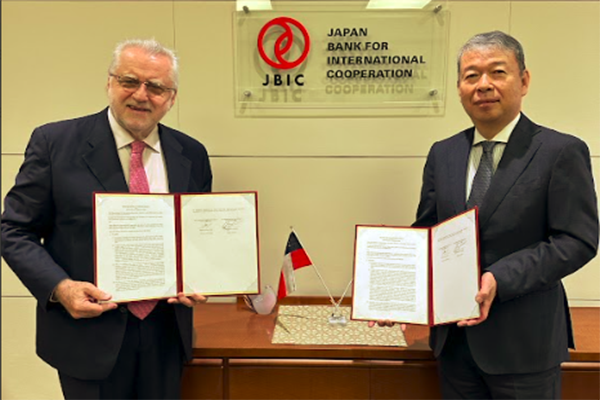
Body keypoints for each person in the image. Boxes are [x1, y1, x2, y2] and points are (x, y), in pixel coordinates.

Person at [1, 38, 212, 400]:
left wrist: (201, 274)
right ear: (110, 83)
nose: (141, 95)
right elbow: (14, 230)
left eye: (157, 87)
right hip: (87, 333)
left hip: (166, 333)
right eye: (130, 81)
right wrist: (61, 288)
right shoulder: (55, 142)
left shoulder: (190, 153)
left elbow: (195, 235)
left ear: (172, 97)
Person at [412, 30, 599, 399]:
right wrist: (398, 292)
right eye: (471, 76)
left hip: (524, 346)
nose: (483, 85)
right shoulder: (443, 153)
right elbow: (426, 233)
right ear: (459, 87)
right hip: (453, 344)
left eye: (497, 72)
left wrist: (499, 278)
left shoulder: (560, 151)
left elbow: (577, 240)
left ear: (524, 80)